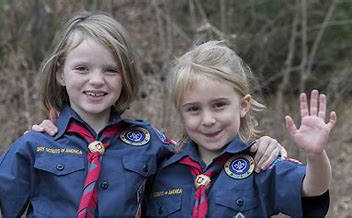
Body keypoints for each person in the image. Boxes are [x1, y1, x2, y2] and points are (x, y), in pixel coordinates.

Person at [0, 12, 285, 218]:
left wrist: (259, 147)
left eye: (110, 70)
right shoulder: (35, 146)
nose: (96, 80)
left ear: (125, 78)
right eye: (82, 68)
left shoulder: (149, 143)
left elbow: (204, 163)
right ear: (61, 74)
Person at [144, 41, 337, 217]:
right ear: (181, 113)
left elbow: (312, 188)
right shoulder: (162, 169)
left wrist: (315, 156)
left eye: (219, 105)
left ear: (243, 105)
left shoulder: (261, 164)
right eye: (194, 109)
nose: (208, 120)